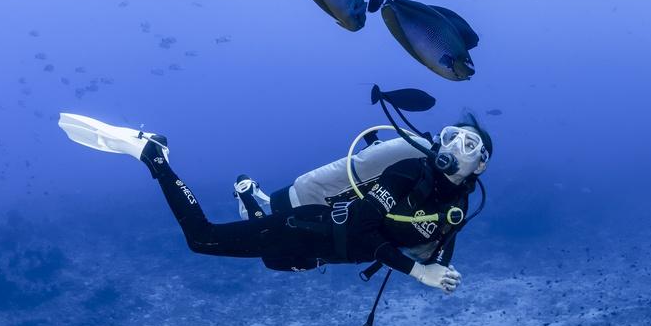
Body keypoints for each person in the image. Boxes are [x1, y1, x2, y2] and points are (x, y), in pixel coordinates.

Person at [58, 114, 492, 294]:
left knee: (274, 264)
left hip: (317, 252)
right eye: (451, 134)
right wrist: (419, 273)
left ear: (481, 164)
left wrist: (434, 266)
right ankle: (153, 155)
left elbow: (422, 244)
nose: (455, 143)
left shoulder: (457, 200)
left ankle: (251, 196)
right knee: (203, 239)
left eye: (468, 142)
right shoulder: (406, 174)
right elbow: (364, 231)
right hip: (308, 227)